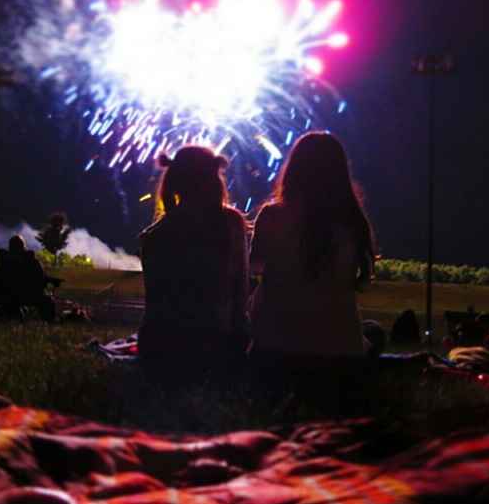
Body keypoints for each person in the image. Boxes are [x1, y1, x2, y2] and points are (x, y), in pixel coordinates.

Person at [248, 131, 379, 407]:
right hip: (341, 351)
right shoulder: (353, 222)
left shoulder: (272, 216)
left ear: (293, 169)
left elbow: (255, 265)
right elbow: (360, 282)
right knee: (373, 333)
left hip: (276, 348)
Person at [138, 146, 249, 379]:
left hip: (162, 351)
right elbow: (240, 295)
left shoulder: (154, 235)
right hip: (217, 347)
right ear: (213, 178)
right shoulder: (231, 224)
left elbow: (155, 307)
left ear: (174, 180)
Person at [0, 235, 57, 321]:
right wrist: (49, 281)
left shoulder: (4, 262)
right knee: (47, 301)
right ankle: (49, 322)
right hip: (28, 296)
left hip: (5, 295)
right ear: (23, 247)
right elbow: (41, 279)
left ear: (10, 247)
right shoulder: (32, 262)